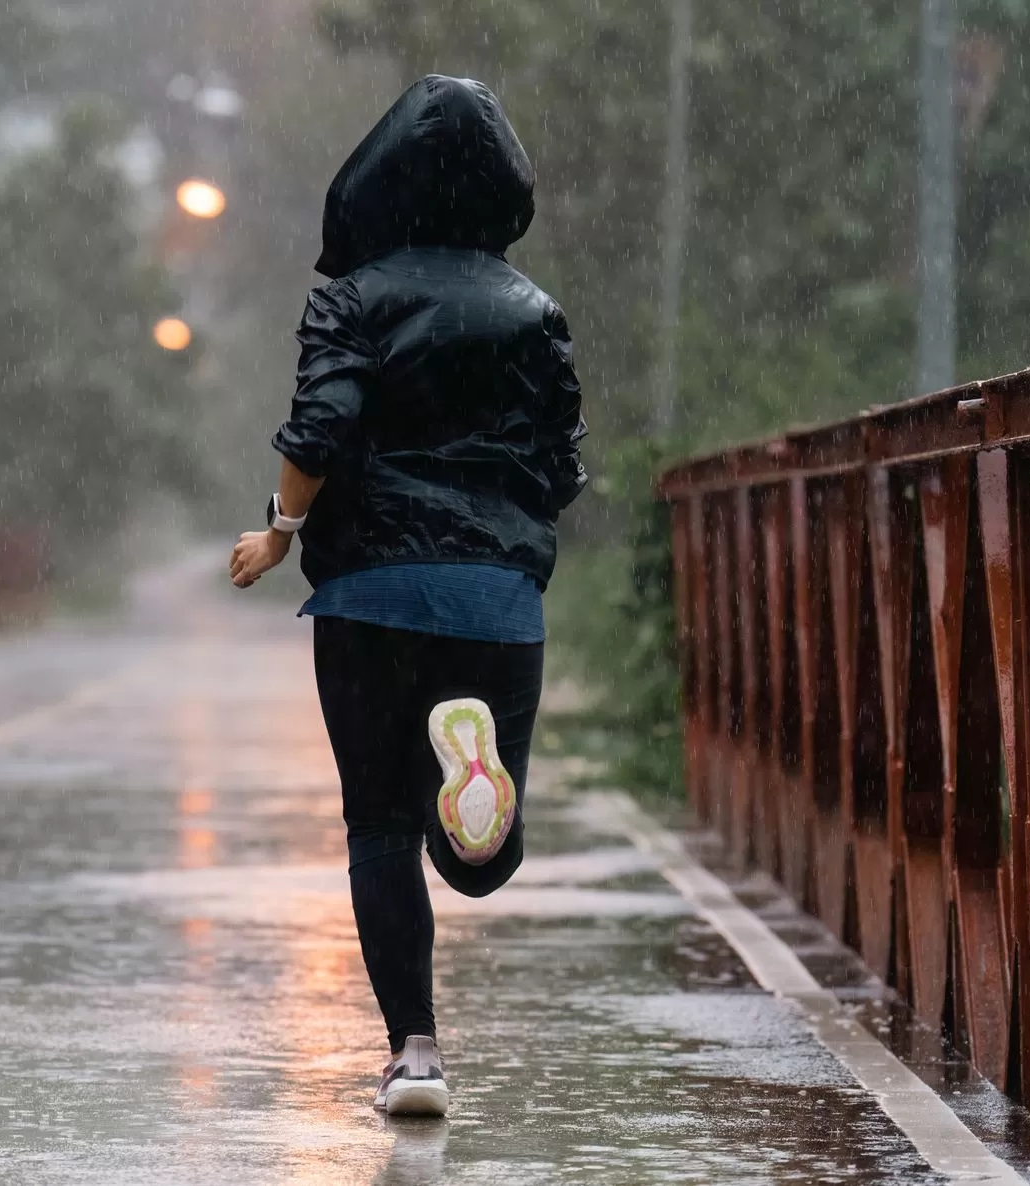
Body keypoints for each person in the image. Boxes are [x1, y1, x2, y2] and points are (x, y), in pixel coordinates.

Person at [227, 75, 587, 1118]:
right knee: (475, 862)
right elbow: (560, 458)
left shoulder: (352, 295)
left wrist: (279, 529)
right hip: (495, 597)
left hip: (370, 593)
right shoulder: (535, 311)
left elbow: (320, 429)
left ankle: (415, 1054)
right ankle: (474, 802)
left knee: (377, 827)